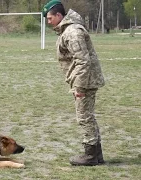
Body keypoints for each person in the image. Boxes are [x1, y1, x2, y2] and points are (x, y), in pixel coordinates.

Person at [42, 0, 105, 166]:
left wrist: (79, 87)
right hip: (85, 80)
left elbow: (83, 61)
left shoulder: (72, 32)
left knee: (84, 118)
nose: (48, 22)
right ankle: (96, 154)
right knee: (88, 116)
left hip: (85, 81)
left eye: (49, 18)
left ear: (59, 15)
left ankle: (90, 155)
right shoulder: (68, 30)